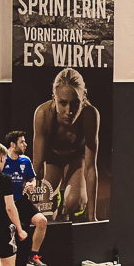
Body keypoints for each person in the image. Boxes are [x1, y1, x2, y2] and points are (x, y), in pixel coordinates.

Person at [32, 68, 101, 222]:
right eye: (62, 103)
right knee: (45, 208)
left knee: (74, 203)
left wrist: (92, 217)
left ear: (83, 98)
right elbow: (37, 167)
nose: (69, 111)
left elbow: (90, 168)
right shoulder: (43, 114)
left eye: (75, 103)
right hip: (51, 160)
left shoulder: (90, 115)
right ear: (54, 98)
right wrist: (34, 211)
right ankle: (55, 198)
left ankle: (69, 206)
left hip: (76, 159)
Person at [3, 130, 49, 266]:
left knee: (42, 221)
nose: (25, 144)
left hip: (21, 200)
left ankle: (33, 256)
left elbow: (32, 179)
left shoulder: (25, 160)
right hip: (5, 204)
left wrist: (31, 185)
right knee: (12, 234)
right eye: (22, 142)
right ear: (12, 144)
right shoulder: (2, 160)